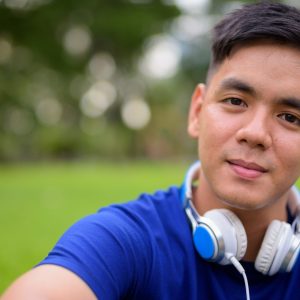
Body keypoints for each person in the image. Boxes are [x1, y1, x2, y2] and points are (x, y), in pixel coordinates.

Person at [2, 1, 300, 299]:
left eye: (290, 117)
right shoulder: (123, 240)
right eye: (235, 101)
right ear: (197, 112)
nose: (256, 134)